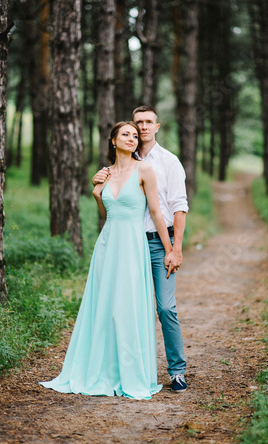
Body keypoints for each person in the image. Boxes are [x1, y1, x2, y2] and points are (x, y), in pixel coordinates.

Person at [39, 121, 173, 400]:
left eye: (135, 136)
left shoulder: (144, 169)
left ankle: (129, 372)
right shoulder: (105, 173)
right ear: (113, 141)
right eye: (126, 134)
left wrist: (170, 249)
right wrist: (97, 194)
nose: (132, 139)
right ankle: (99, 369)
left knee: (126, 306)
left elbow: (157, 213)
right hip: (108, 245)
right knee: (104, 305)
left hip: (132, 245)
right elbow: (106, 214)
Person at [93, 106, 189, 393]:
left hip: (161, 244)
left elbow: (178, 207)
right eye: (137, 124)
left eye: (148, 123)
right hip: (128, 244)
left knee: (165, 307)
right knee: (126, 307)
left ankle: (177, 371)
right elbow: (108, 208)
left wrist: (176, 249)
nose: (142, 128)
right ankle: (121, 369)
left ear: (157, 127)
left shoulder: (169, 162)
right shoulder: (120, 165)